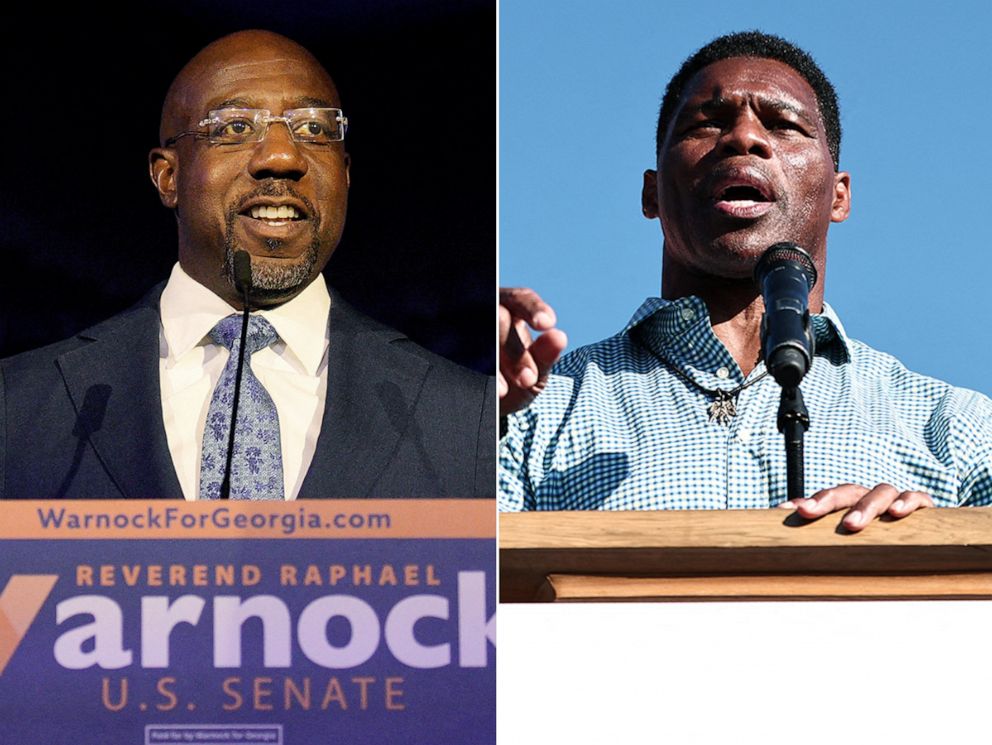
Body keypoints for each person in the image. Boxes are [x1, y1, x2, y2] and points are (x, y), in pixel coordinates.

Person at [498, 31, 992, 527]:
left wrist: (936, 551)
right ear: (651, 194)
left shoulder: (956, 429)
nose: (744, 138)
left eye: (783, 124)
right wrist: (463, 417)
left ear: (838, 196)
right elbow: (452, 585)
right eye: (707, 123)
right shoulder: (529, 411)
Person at [0, 30, 495, 500]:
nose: (282, 156)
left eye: (314, 129)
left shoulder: (467, 418)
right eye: (235, 127)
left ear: (345, 176)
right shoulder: (17, 405)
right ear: (167, 176)